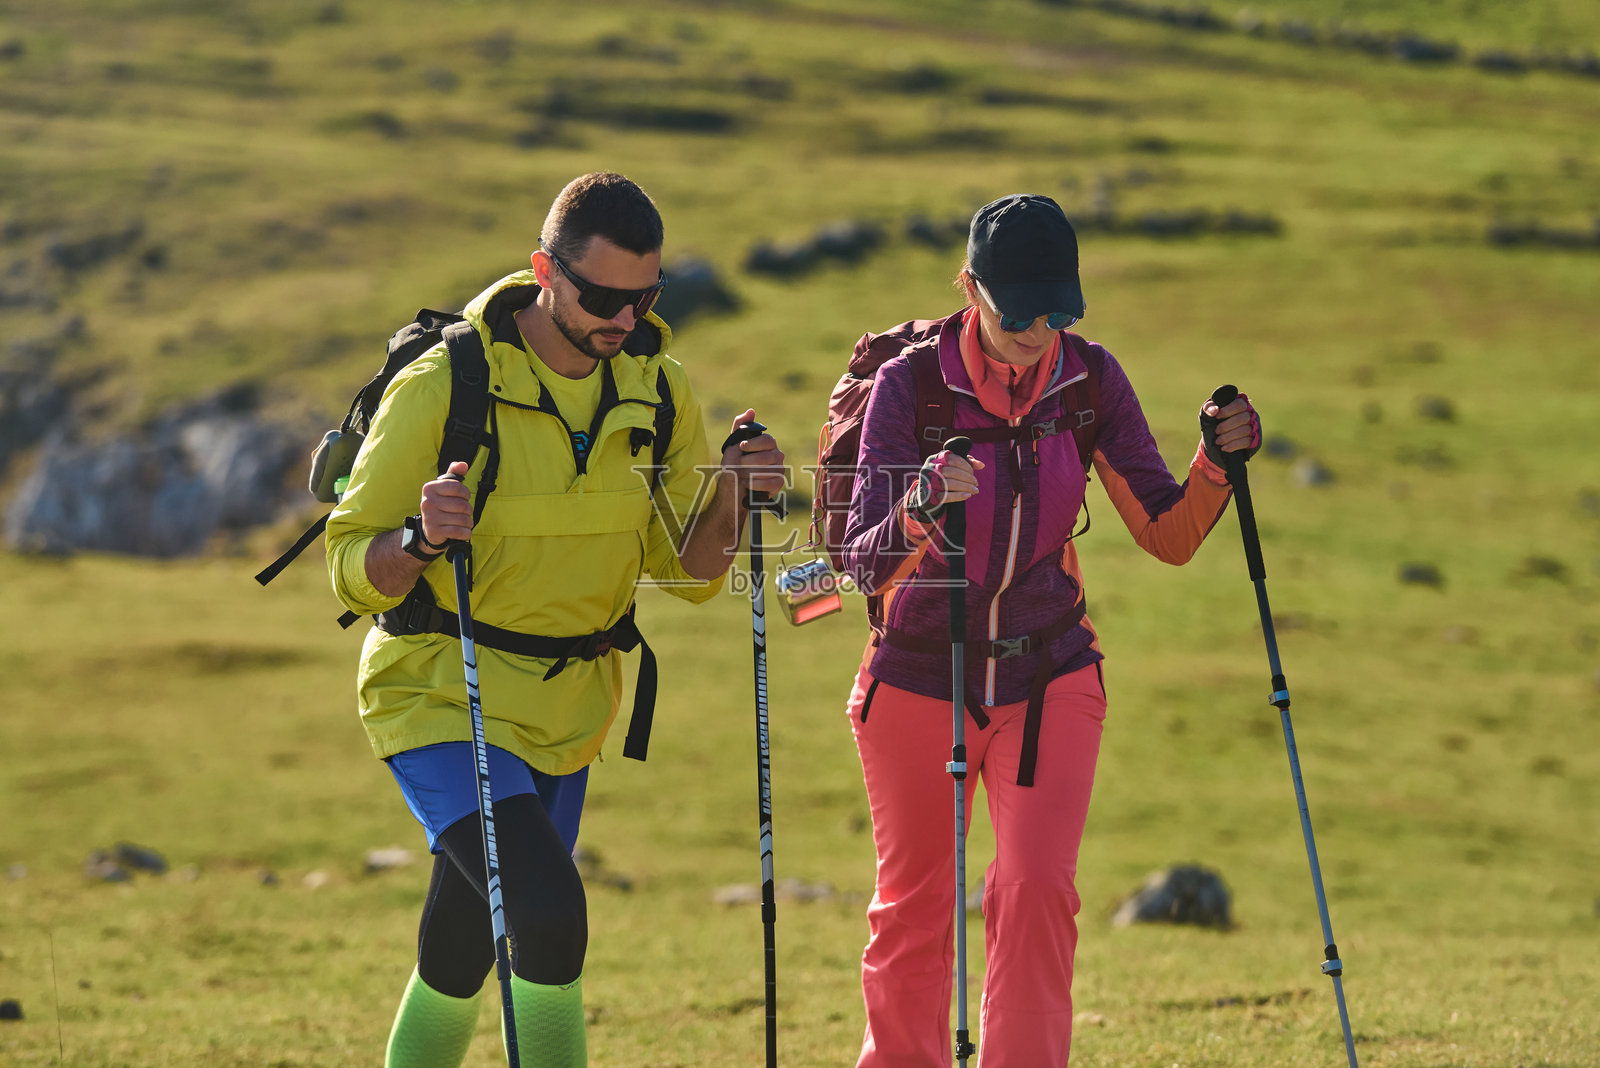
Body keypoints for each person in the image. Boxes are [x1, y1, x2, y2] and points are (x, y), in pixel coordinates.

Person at [325, 172, 784, 1068]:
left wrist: (731, 489)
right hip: (437, 697)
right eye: (602, 295)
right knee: (546, 913)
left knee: (461, 950)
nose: (623, 316)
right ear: (545, 270)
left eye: (643, 296)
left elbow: (685, 570)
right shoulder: (442, 385)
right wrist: (419, 537)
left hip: (568, 716)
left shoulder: (658, 389)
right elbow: (349, 570)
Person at [839, 193, 1260, 1066]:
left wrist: (1216, 463)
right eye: (1019, 309)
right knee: (916, 909)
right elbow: (855, 563)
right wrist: (922, 504)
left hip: (1050, 672)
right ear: (969, 287)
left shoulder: (1089, 379)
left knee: (1036, 894)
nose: (1040, 328)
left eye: (1059, 309)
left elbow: (1167, 532)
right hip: (920, 676)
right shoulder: (909, 388)